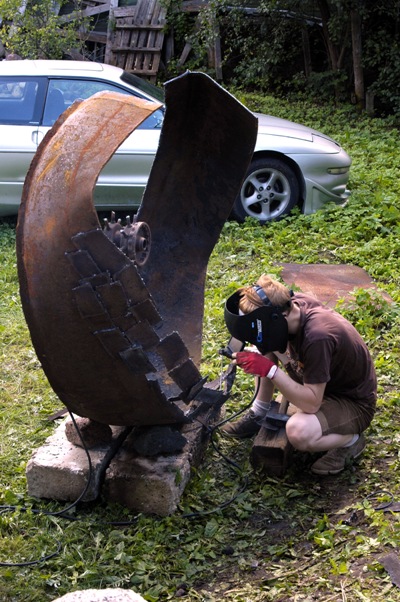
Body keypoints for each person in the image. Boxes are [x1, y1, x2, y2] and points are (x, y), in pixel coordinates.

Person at [222, 274, 377, 475]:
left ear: (278, 316)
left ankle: (351, 441)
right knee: (266, 342)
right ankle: (259, 413)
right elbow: (267, 338)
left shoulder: (318, 337)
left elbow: (311, 404)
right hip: (321, 382)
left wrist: (270, 370)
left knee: (299, 432)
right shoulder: (289, 307)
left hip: (352, 403)